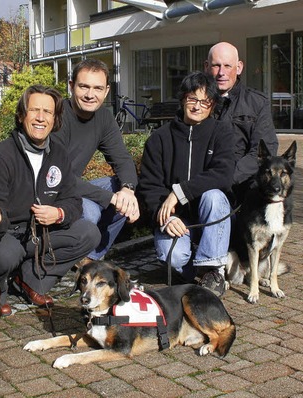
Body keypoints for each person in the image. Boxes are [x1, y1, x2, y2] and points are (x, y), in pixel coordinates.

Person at [0, 85, 100, 313]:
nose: (41, 118)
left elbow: (73, 201)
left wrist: (59, 213)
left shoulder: (59, 153)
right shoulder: (1, 156)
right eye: (34, 110)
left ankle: (30, 281)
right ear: (22, 115)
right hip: (6, 235)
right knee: (6, 255)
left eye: (48, 112)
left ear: (55, 119)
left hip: (40, 234)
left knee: (89, 233)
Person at [137, 71, 237, 297]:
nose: (197, 106)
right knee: (170, 257)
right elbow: (149, 186)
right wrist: (166, 217)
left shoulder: (221, 132)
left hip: (211, 218)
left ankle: (212, 268)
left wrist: (179, 192)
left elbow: (223, 175)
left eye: (205, 101)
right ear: (183, 99)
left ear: (213, 104)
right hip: (178, 220)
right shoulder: (160, 138)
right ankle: (203, 273)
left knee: (214, 195)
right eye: (192, 99)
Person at [53, 59, 140, 262]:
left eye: (98, 88)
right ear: (71, 85)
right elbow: (59, 179)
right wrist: (109, 198)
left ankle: (90, 259)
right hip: (52, 191)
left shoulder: (103, 118)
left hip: (75, 188)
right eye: (84, 86)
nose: (90, 95)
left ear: (107, 90)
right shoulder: (58, 117)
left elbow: (123, 160)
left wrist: (127, 190)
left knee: (127, 191)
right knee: (90, 213)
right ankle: (66, 255)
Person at [205, 41, 279, 201]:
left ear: (239, 68)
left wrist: (225, 180)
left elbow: (262, 152)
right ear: (206, 67)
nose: (221, 73)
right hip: (201, 186)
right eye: (216, 66)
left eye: (227, 66)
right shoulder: (196, 104)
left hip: (242, 190)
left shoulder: (257, 103)